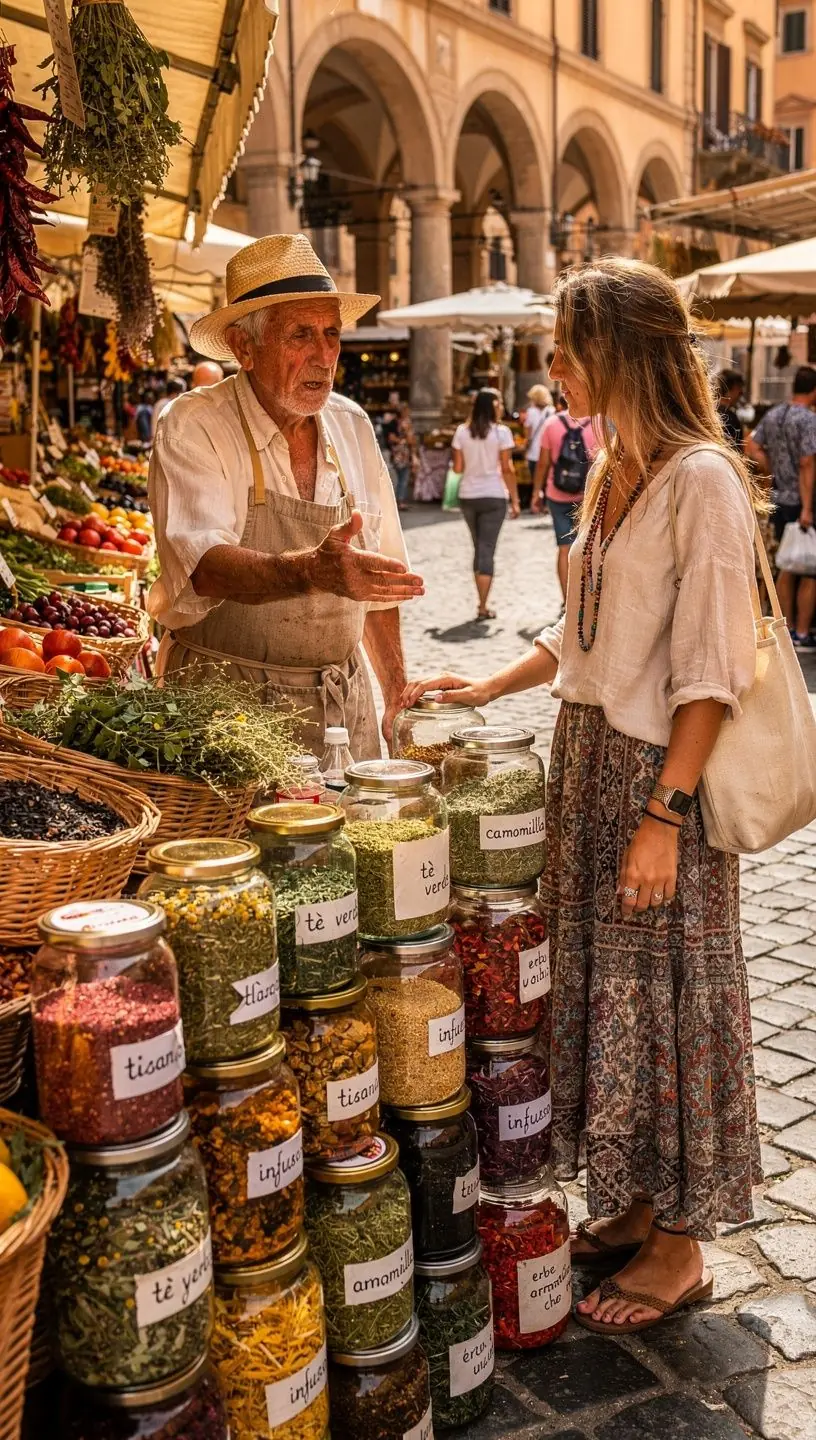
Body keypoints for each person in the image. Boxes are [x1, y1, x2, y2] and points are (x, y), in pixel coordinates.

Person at [403, 256, 762, 1335]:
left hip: (657, 781)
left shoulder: (701, 478)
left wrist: (664, 817)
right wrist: (494, 677)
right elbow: (594, 633)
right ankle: (643, 1204)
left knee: (670, 994)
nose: (551, 364)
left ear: (618, 352)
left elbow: (712, 672)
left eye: (565, 346)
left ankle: (685, 1243)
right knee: (610, 990)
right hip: (588, 764)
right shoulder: (612, 471)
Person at [148, 232, 423, 759]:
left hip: (342, 709)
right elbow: (202, 564)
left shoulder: (351, 424)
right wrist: (309, 571)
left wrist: (395, 695)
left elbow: (379, 582)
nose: (324, 355)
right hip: (224, 712)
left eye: (331, 334)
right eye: (300, 335)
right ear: (244, 348)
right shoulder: (194, 423)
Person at [746, 365, 816, 647]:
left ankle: (785, 628)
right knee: (810, 567)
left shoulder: (775, 414)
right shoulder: (808, 420)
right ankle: (800, 630)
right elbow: (807, 462)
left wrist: (770, 470)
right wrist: (808, 508)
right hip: (802, 500)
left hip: (778, 497)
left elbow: (751, 445)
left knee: (786, 564)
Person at [452, 387, 520, 621]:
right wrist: (516, 500)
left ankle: (481, 602)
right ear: (492, 406)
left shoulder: (461, 432)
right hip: (494, 495)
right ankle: (482, 605)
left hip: (468, 495)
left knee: (478, 547)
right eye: (499, 402)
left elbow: (457, 469)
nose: (501, 406)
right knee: (487, 548)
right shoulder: (502, 433)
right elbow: (507, 468)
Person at [532, 405, 599, 601]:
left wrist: (537, 491)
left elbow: (543, 463)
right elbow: (602, 462)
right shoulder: (597, 422)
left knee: (564, 548)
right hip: (586, 495)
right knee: (587, 546)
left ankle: (566, 600)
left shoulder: (551, 423)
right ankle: (583, 598)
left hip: (556, 494)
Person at [524, 384, 555, 484]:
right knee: (547, 483)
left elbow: (527, 434)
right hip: (548, 453)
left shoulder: (531, 412)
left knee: (536, 482)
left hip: (533, 453)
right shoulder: (552, 411)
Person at [389, 402, 417, 511]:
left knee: (402, 478)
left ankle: (400, 500)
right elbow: (409, 439)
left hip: (398, 453)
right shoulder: (404, 423)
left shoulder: (394, 422)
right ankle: (400, 501)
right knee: (403, 478)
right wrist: (404, 441)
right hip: (402, 454)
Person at [716, 369, 745, 451]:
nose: (741, 394)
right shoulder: (731, 418)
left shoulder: (709, 413)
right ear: (735, 387)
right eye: (740, 389)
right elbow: (737, 452)